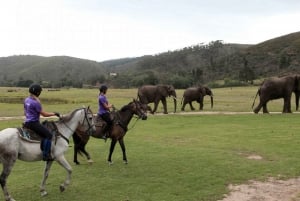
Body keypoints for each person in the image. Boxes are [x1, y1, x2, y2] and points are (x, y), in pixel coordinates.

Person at [23, 83, 60, 161]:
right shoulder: (36, 103)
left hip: (27, 123)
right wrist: (54, 113)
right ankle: (46, 155)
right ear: (37, 92)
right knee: (49, 135)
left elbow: (25, 112)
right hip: (34, 123)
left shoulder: (26, 100)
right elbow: (44, 114)